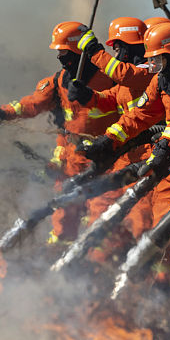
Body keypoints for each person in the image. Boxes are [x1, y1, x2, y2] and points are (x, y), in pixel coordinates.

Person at [0, 21, 118, 245]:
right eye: (58, 52)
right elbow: (30, 105)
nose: (59, 57)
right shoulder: (58, 83)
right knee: (64, 211)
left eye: (63, 52)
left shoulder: (111, 80)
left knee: (101, 212)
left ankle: (94, 259)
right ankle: (58, 257)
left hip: (109, 157)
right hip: (73, 158)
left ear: (79, 51)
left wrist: (89, 96)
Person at [80, 21, 170, 286]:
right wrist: (109, 140)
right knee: (162, 226)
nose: (155, 66)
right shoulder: (161, 81)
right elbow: (141, 114)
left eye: (158, 60)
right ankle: (163, 289)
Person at [68, 17, 156, 247]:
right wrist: (88, 96)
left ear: (129, 45)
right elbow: (111, 98)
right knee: (104, 205)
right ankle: (101, 258)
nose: (115, 52)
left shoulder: (148, 71)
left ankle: (151, 276)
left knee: (142, 217)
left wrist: (94, 51)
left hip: (152, 153)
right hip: (128, 153)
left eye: (117, 47)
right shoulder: (128, 79)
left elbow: (123, 74)